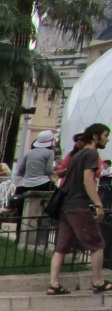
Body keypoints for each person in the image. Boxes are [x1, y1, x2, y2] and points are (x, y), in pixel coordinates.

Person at [47, 123, 109, 296]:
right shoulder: (91, 154)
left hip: (66, 205)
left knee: (61, 247)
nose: (107, 139)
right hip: (78, 205)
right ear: (95, 137)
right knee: (96, 243)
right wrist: (98, 205)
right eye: (105, 135)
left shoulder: (76, 155)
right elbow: (88, 181)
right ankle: (98, 281)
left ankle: (54, 283)